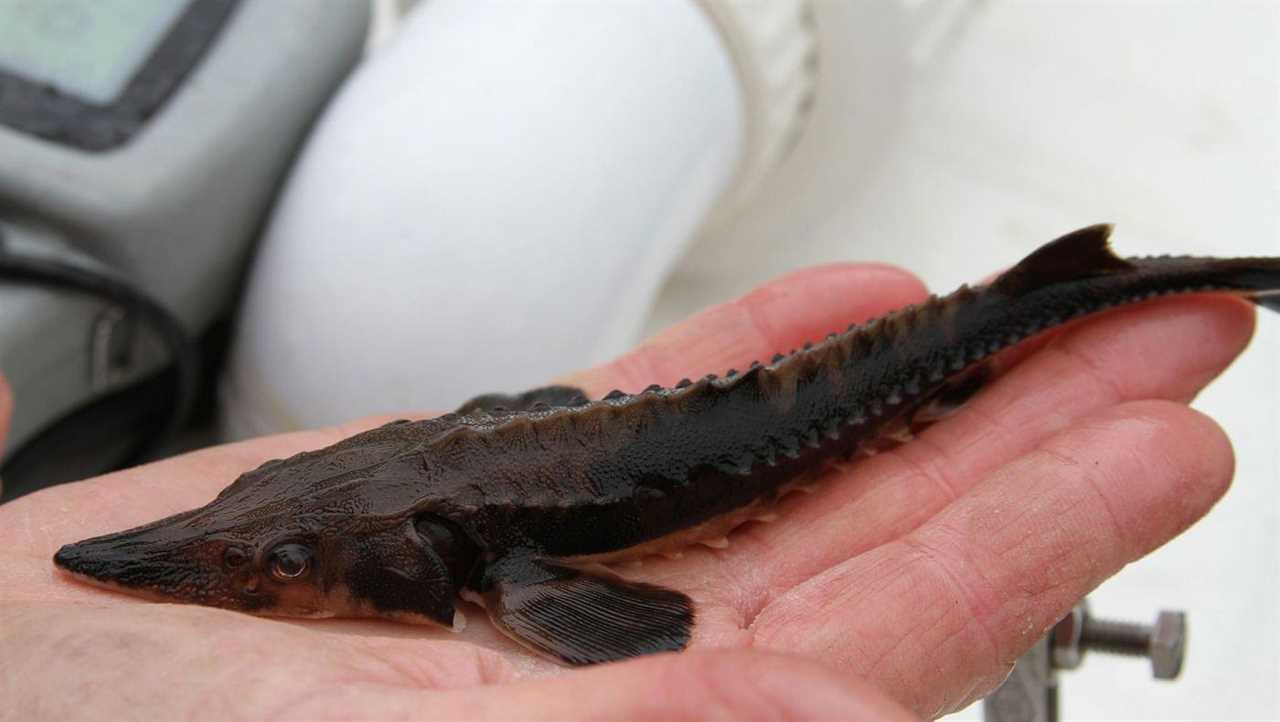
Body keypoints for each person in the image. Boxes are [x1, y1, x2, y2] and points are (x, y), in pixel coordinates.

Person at [0, 261, 1253, 721]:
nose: (240, 568)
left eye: (270, 563)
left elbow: (633, 619)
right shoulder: (457, 528)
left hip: (742, 430)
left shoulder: (494, 564)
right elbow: (506, 429)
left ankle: (1068, 291)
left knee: (960, 352)